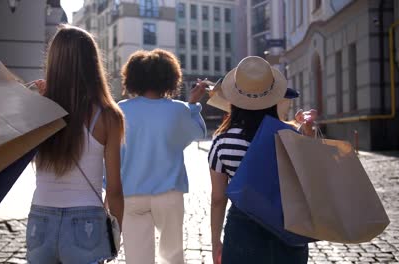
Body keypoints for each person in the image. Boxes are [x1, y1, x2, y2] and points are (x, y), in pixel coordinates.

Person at [26, 25, 125, 264]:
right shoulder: (108, 115)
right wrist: (117, 231)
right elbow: (113, 189)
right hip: (87, 220)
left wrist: (30, 101)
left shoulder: (37, 110)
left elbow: (21, 156)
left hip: (40, 217)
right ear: (93, 64)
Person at [208, 56, 315, 264]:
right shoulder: (291, 135)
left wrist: (215, 242)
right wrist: (308, 138)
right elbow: (307, 180)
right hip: (289, 227)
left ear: (234, 99)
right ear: (274, 97)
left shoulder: (223, 141)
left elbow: (218, 199)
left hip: (242, 229)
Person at [118, 49, 207, 264]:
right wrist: (193, 105)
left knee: (137, 257)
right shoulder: (178, 110)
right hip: (168, 193)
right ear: (170, 78)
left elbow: (113, 154)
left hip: (130, 193)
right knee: (172, 255)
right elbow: (198, 133)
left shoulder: (121, 110)